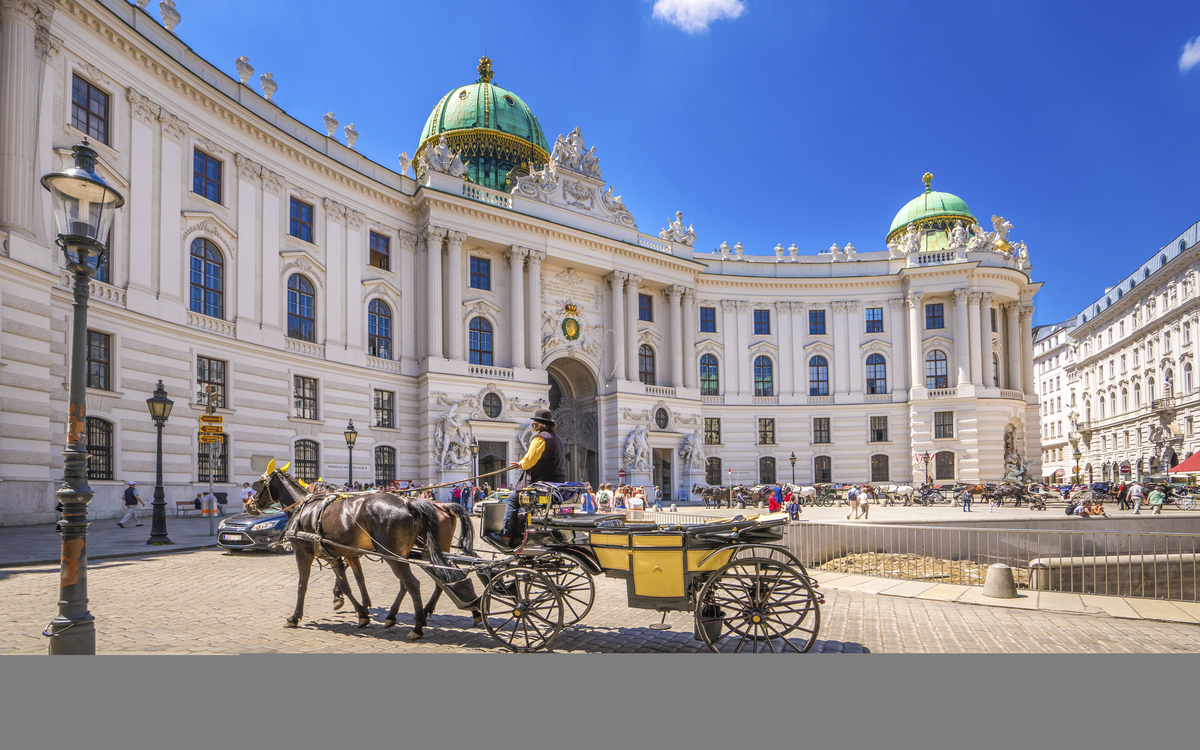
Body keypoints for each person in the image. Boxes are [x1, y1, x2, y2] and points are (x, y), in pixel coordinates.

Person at [500, 408, 566, 545]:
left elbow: (529, 461)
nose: (533, 424)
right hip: (556, 484)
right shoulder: (557, 438)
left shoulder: (541, 438)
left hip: (540, 485)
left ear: (539, 424)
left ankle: (506, 535)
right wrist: (522, 464)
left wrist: (522, 464)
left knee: (513, 499)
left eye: (535, 422)